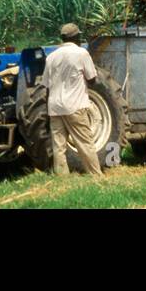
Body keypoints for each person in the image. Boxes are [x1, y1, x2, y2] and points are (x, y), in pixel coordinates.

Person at [42, 22, 102, 176]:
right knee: (84, 142)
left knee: (59, 145)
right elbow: (92, 79)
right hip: (75, 106)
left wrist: (47, 110)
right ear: (77, 37)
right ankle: (95, 174)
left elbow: (47, 86)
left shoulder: (51, 57)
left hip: (54, 107)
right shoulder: (81, 53)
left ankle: (62, 176)